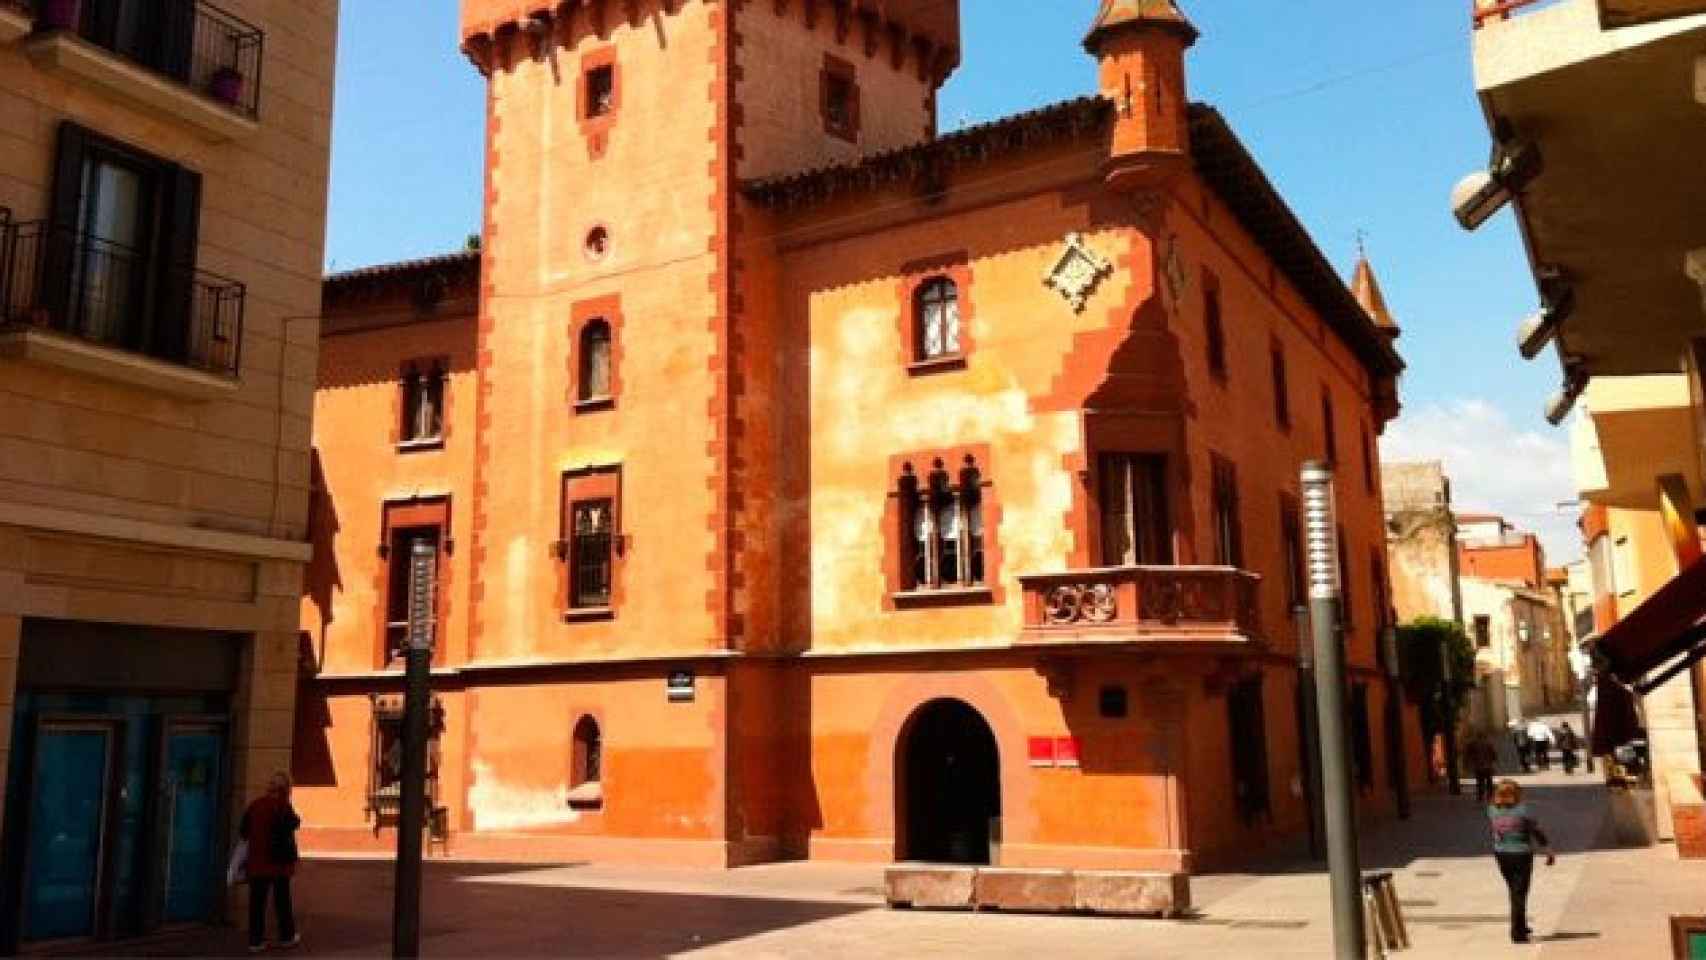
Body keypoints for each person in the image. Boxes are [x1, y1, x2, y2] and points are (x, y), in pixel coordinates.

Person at [240, 772, 302, 953]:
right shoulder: (283, 807)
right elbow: (294, 823)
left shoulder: (255, 805)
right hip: (279, 864)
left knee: (257, 903)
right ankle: (287, 937)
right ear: (285, 790)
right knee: (282, 901)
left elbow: (243, 831)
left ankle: (255, 941)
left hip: (257, 862)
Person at [1488, 779, 1555, 944]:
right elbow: (1536, 831)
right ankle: (1517, 932)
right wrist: (1547, 849)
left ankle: (1522, 925)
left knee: (1514, 889)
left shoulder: (1491, 811)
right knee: (1519, 892)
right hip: (1521, 855)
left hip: (1501, 854)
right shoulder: (1523, 811)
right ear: (1516, 794)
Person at [1467, 735, 1499, 804]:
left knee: (1479, 781)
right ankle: (1489, 795)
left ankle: (1480, 796)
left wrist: (1471, 763)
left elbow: (1469, 754)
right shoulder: (1488, 744)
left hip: (1478, 766)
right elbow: (1494, 755)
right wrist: (1494, 762)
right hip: (1487, 766)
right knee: (1489, 781)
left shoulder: (1473, 744)